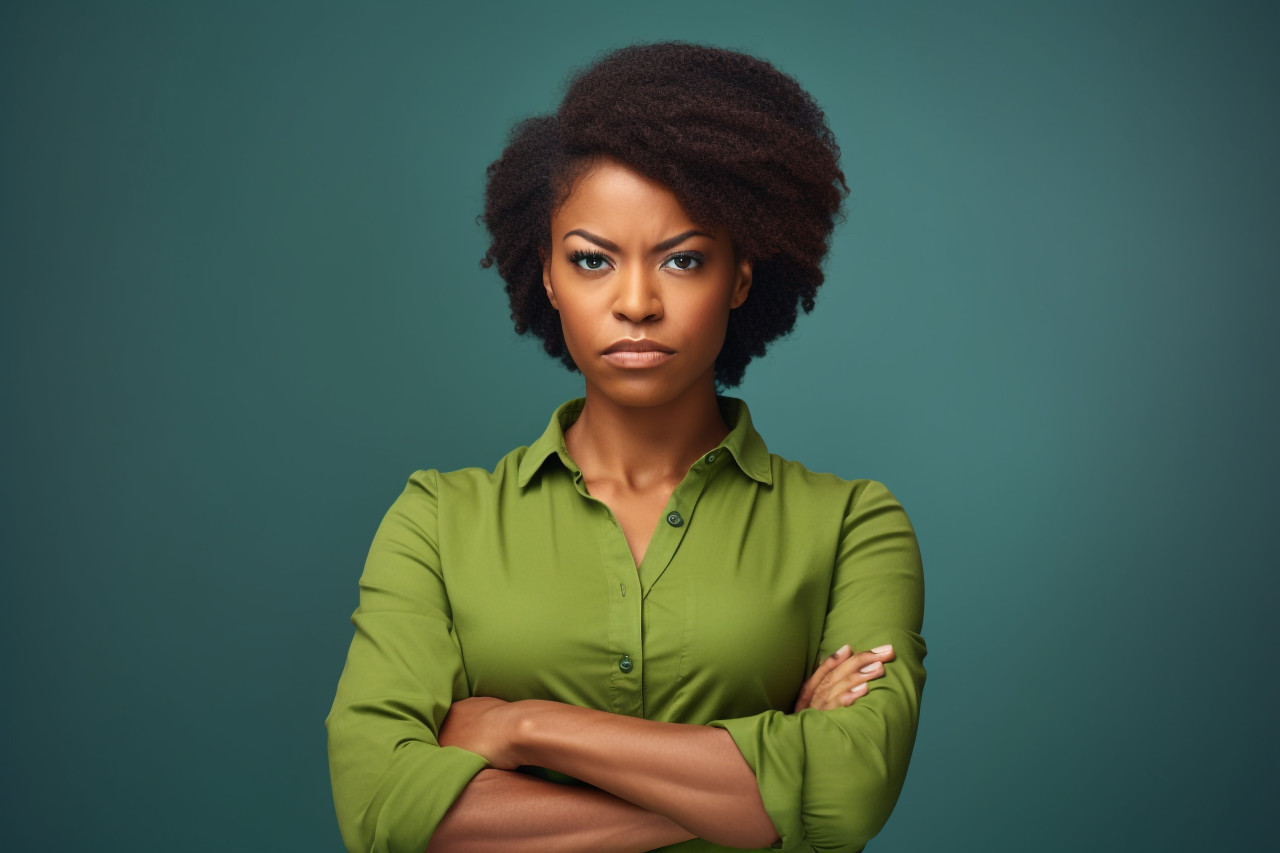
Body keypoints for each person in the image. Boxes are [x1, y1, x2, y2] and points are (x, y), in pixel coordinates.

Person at [327, 42, 926, 853]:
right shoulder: (435, 521)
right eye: (592, 260)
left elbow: (850, 793)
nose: (636, 302)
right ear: (546, 275)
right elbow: (381, 811)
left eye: (683, 259)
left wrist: (523, 727)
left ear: (741, 276)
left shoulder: (854, 526)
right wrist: (767, 787)